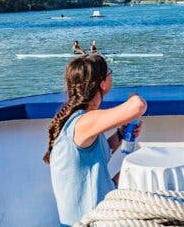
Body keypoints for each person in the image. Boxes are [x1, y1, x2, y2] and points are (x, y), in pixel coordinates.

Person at [45, 54, 147, 227]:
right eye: (109, 73)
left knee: (138, 172)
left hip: (89, 217)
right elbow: (138, 106)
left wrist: (120, 135)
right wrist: (134, 96)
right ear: (102, 83)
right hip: (89, 222)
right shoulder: (83, 122)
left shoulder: (77, 119)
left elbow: (92, 155)